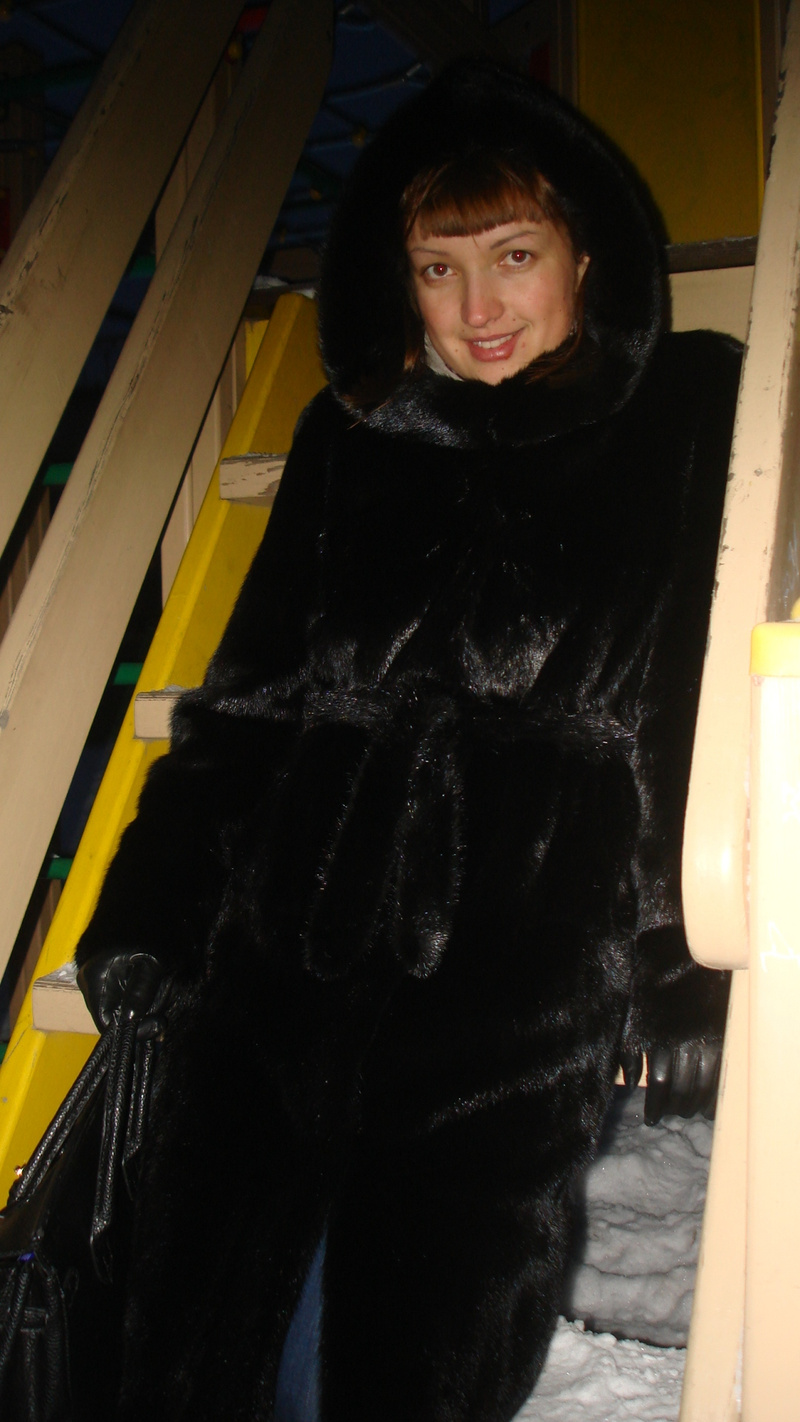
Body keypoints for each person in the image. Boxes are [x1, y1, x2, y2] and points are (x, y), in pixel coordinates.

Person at [75, 58, 740, 1422]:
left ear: (586, 256)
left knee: (416, 1336)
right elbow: (249, 702)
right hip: (292, 933)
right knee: (208, 1314)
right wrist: (156, 902)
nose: (478, 308)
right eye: (440, 269)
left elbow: (690, 696)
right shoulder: (351, 436)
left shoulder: (681, 412)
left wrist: (680, 957)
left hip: (517, 953)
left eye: (513, 256)